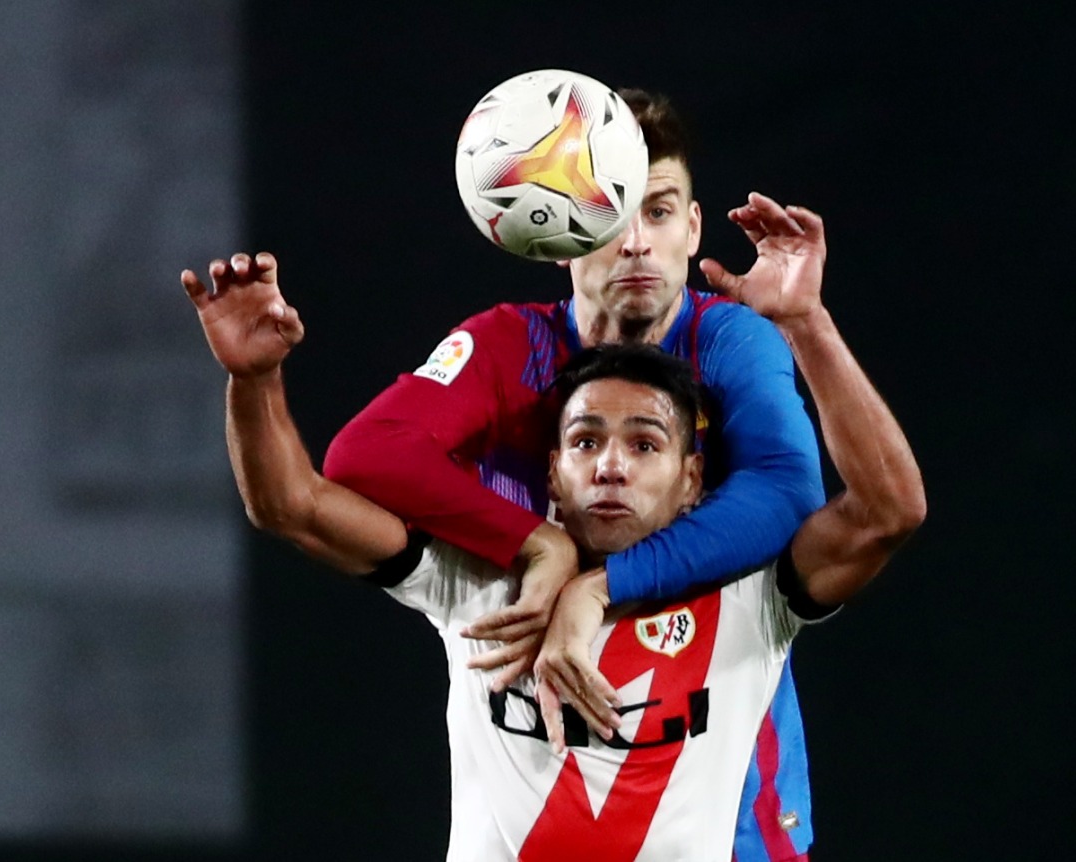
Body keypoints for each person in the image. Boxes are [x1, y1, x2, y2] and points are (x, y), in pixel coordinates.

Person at [181, 238, 925, 860]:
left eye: (644, 444)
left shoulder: (750, 598)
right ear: (553, 475)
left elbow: (890, 511)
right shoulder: (478, 584)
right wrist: (257, 379)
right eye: (585, 442)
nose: (610, 465)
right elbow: (293, 504)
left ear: (692, 478)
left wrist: (807, 325)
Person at [319, 89, 828, 860]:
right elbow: (367, 452)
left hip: (707, 756)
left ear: (693, 229)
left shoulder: (728, 342)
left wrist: (600, 586)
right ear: (557, 234)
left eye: (658, 212)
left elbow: (790, 491)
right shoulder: (506, 346)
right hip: (541, 740)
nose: (635, 243)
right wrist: (539, 546)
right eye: (611, 212)